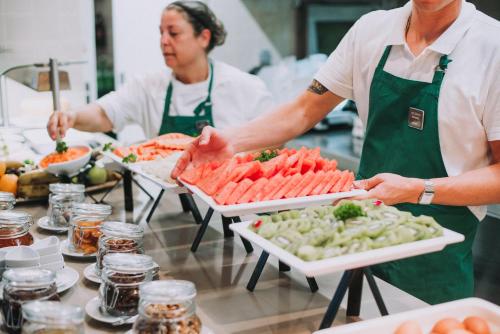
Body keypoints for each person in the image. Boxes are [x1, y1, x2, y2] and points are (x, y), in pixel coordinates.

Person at [172, 0, 500, 305]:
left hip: (435, 260)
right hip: (353, 242)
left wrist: (418, 190)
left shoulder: (491, 46)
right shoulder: (371, 31)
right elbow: (303, 110)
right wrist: (230, 142)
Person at [47, 1, 274, 140]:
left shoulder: (244, 86)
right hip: (170, 208)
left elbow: (272, 139)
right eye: (161, 32)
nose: (163, 41)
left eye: (173, 33)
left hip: (229, 205)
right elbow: (104, 114)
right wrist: (73, 117)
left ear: (203, 37)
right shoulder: (148, 86)